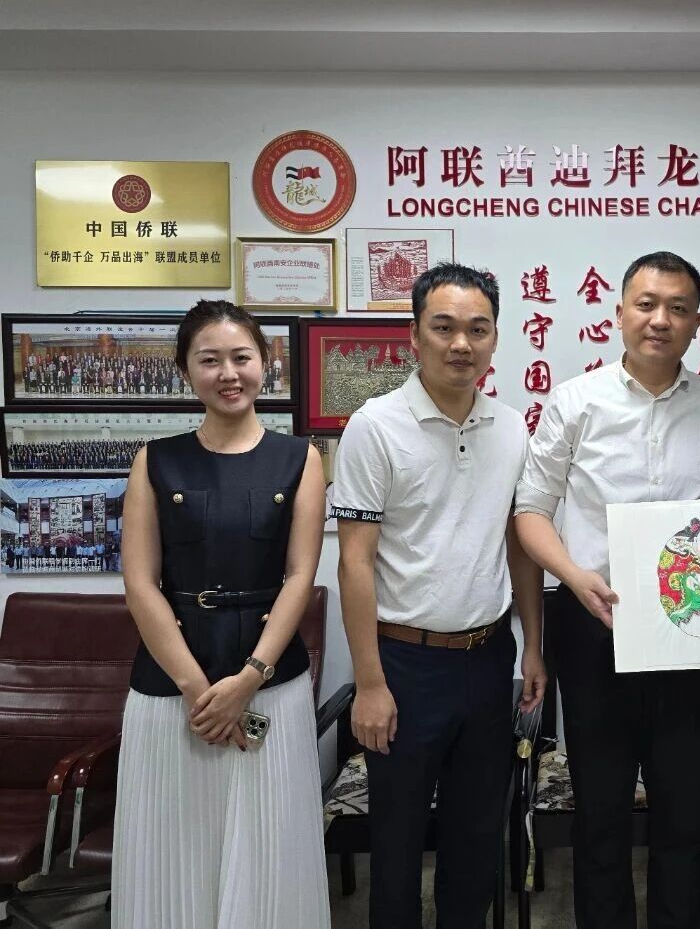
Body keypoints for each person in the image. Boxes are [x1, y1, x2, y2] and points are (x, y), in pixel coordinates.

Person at [515, 251, 700, 929]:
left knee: (684, 809)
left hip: (691, 630)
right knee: (601, 809)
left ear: (697, 322)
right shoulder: (575, 401)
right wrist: (574, 575)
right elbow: (531, 511)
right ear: (619, 313)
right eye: (646, 304)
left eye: (678, 308)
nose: (660, 319)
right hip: (593, 625)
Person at [332, 263, 546, 929]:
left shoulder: (510, 426)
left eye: (478, 329)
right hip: (404, 667)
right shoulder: (375, 426)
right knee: (396, 844)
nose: (461, 344)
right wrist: (369, 683)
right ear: (414, 335)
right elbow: (354, 562)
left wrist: (533, 646)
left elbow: (519, 546)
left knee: (476, 841)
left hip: (488, 659)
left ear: (495, 338)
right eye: (444, 327)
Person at [112, 299, 330, 929]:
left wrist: (248, 681)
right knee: (172, 849)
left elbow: (300, 576)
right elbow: (140, 583)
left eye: (242, 357)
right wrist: (198, 689)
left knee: (270, 848)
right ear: (186, 372)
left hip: (269, 683)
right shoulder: (155, 460)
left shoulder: (300, 459)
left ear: (266, 364)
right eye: (210, 361)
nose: (228, 373)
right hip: (172, 688)